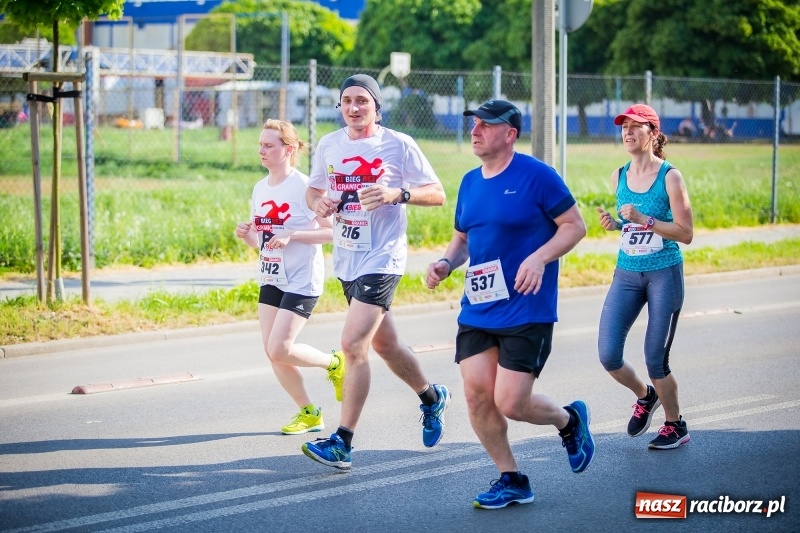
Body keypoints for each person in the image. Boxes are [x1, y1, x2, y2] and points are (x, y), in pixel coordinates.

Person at [426, 100, 595, 510]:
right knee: (477, 395)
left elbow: (575, 226)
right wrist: (447, 262)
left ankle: (569, 421)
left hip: (526, 309)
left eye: (486, 125)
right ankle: (512, 477)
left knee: (511, 402)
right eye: (474, 124)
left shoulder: (538, 176)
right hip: (479, 308)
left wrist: (540, 257)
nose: (476, 130)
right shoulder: (470, 182)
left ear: (510, 134)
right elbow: (464, 238)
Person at [301, 74, 450, 470]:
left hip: (384, 257)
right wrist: (319, 204)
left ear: (376, 106)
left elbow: (437, 193)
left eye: (362, 101)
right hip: (347, 257)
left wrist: (396, 194)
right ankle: (432, 397)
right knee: (385, 346)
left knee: (353, 346)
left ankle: (342, 442)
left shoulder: (399, 144)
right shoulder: (329, 144)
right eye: (347, 101)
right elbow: (313, 191)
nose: (353, 107)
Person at [234, 119, 344, 436]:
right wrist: (248, 237)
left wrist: (293, 234)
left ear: (290, 149)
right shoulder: (259, 188)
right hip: (271, 276)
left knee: (281, 347)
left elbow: (331, 232)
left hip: (301, 279)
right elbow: (264, 242)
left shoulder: (305, 187)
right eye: (260, 145)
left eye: (269, 145)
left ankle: (333, 364)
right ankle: (309, 412)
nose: (261, 150)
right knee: (273, 351)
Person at [595, 103, 694, 450]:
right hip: (626, 274)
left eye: (637, 126)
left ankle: (675, 424)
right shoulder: (618, 175)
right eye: (624, 126)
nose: (628, 132)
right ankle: (645, 395)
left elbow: (685, 233)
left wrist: (643, 219)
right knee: (608, 354)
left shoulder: (670, 176)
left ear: (653, 133)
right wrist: (618, 224)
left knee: (656, 358)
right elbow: (631, 226)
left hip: (663, 274)